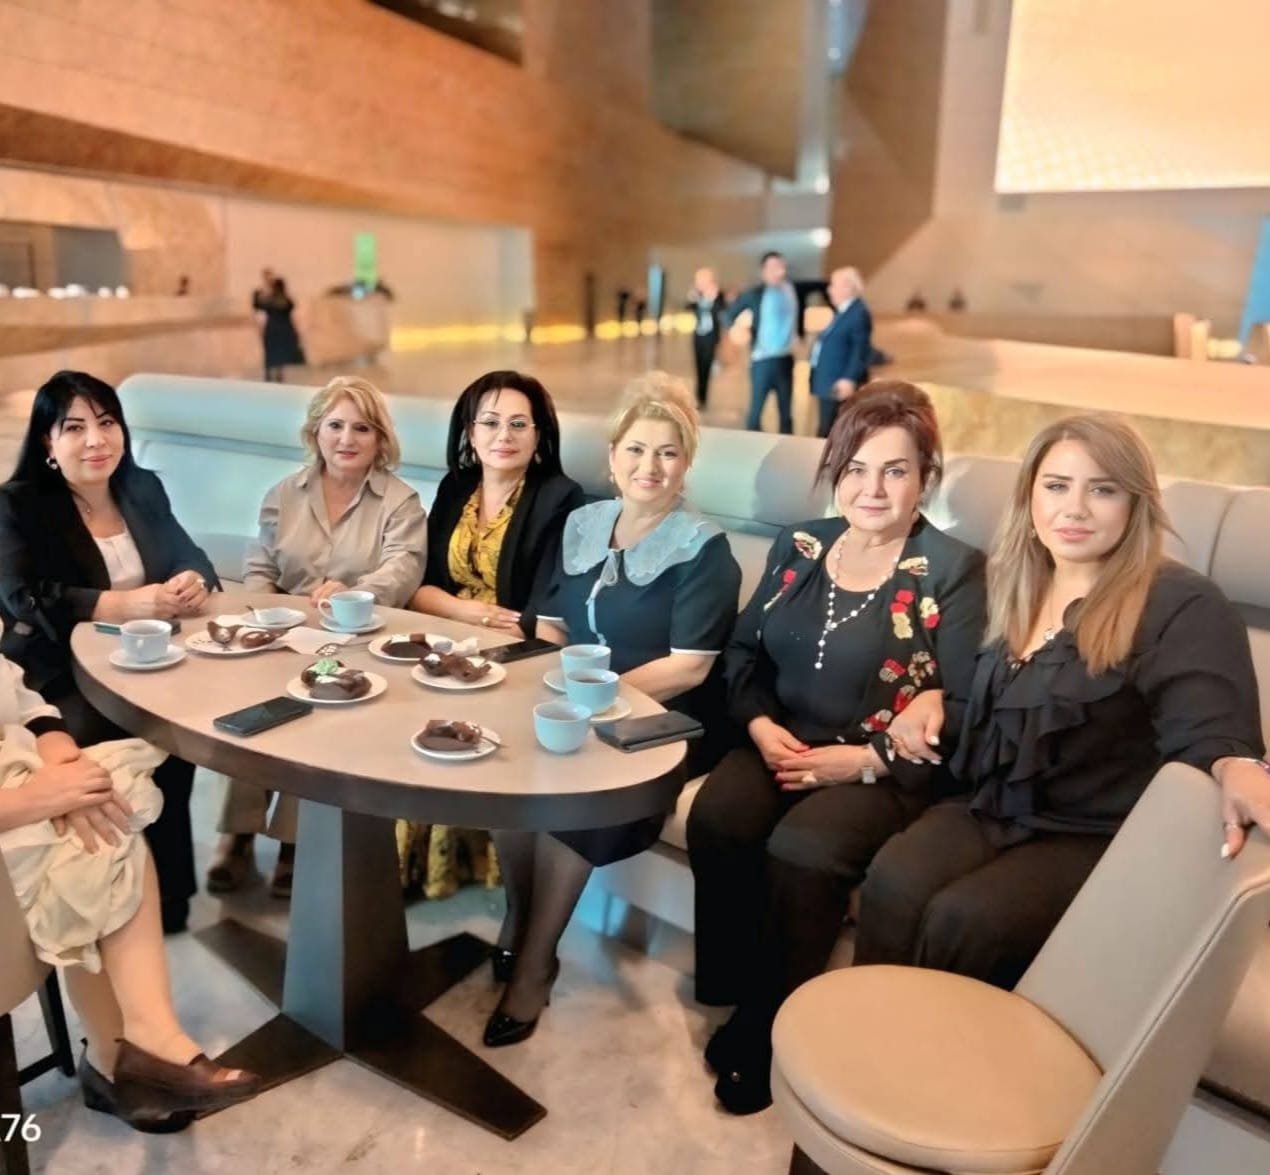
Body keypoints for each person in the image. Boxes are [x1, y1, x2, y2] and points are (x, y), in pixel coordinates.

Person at [854, 412, 1270, 990]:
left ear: (1135, 504)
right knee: (893, 880)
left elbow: (1210, 728)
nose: (1074, 509)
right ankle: (868, 1029)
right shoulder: (1013, 582)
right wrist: (931, 699)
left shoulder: (1182, 603)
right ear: (1030, 499)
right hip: (994, 807)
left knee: (969, 921)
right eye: (1056, 486)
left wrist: (1237, 764)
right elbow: (980, 704)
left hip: (1099, 834)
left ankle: (943, 1047)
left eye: (1103, 490)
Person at [687, 381, 987, 1114]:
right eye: (855, 468)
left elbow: (966, 702)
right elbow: (743, 653)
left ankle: (771, 1024)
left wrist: (868, 759)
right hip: (783, 736)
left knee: (806, 849)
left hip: (877, 767)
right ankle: (735, 985)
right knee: (720, 815)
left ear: (925, 478)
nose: (872, 488)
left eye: (895, 470)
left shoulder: (953, 568)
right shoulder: (802, 544)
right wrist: (758, 726)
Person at [485, 372, 742, 1049]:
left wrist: (596, 697)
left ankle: (534, 964)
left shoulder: (704, 549)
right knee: (505, 780)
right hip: (575, 697)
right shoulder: (583, 523)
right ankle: (519, 916)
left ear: (686, 464)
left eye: (667, 452)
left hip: (665, 716)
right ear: (612, 457)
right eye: (636, 449)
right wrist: (544, 687)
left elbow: (690, 666)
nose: (649, 466)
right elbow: (551, 623)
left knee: (570, 805)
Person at [0, 647, 261, 1130]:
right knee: (94, 846)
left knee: (107, 812)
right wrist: (34, 799)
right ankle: (136, 1051)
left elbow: (23, 699)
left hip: (20, 775)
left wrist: (67, 770)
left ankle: (120, 1056)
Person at [0, 371, 218, 934]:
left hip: (152, 662)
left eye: (106, 422)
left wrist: (192, 577)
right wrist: (116, 605)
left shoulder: (141, 488)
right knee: (113, 755)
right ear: (48, 442)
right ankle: (105, 906)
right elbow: (21, 597)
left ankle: (168, 897)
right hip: (58, 672)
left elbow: (189, 554)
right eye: (74, 427)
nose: (96, 440)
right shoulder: (18, 505)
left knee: (181, 740)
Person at [207, 376, 426, 898]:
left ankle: (292, 843)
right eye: (335, 425)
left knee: (314, 708)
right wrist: (264, 621)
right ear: (316, 431)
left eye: (362, 428)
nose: (347, 439)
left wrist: (353, 593)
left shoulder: (401, 501)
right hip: (283, 635)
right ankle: (237, 835)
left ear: (380, 438)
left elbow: (403, 568)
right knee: (250, 706)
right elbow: (260, 568)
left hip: (357, 642)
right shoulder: (283, 494)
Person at [399, 370, 583, 898]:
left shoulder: (559, 498)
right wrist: (467, 611)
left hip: (511, 653)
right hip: (442, 633)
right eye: (491, 422)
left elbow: (541, 610)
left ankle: (457, 866)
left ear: (540, 435)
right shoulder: (455, 487)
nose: (505, 435)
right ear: (470, 432)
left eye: (519, 424)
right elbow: (419, 587)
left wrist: (463, 617)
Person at [725, 251, 817, 434]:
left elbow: (823, 286)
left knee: (786, 413)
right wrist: (740, 331)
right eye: (773, 267)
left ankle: (787, 447)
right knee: (755, 413)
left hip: (786, 358)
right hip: (762, 360)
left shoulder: (794, 290)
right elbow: (728, 315)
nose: (777, 271)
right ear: (763, 271)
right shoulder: (755, 294)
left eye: (781, 267)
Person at [809, 267, 874, 438]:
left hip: (839, 385)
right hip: (829, 382)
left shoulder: (858, 313)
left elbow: (860, 349)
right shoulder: (843, 312)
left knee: (832, 433)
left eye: (833, 285)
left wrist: (849, 378)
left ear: (847, 287)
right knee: (826, 430)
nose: (829, 290)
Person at [686, 268, 727, 408]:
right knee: (698, 367)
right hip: (698, 336)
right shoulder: (697, 295)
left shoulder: (718, 295)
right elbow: (688, 307)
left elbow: (723, 311)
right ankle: (699, 396)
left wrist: (713, 298)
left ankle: (703, 397)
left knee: (707, 367)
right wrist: (692, 298)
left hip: (711, 337)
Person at [256, 275, 305, 382]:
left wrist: (265, 288)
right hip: (283, 329)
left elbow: (258, 304)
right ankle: (278, 374)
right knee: (279, 353)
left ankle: (269, 374)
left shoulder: (270, 300)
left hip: (272, 329)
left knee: (271, 353)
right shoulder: (286, 300)